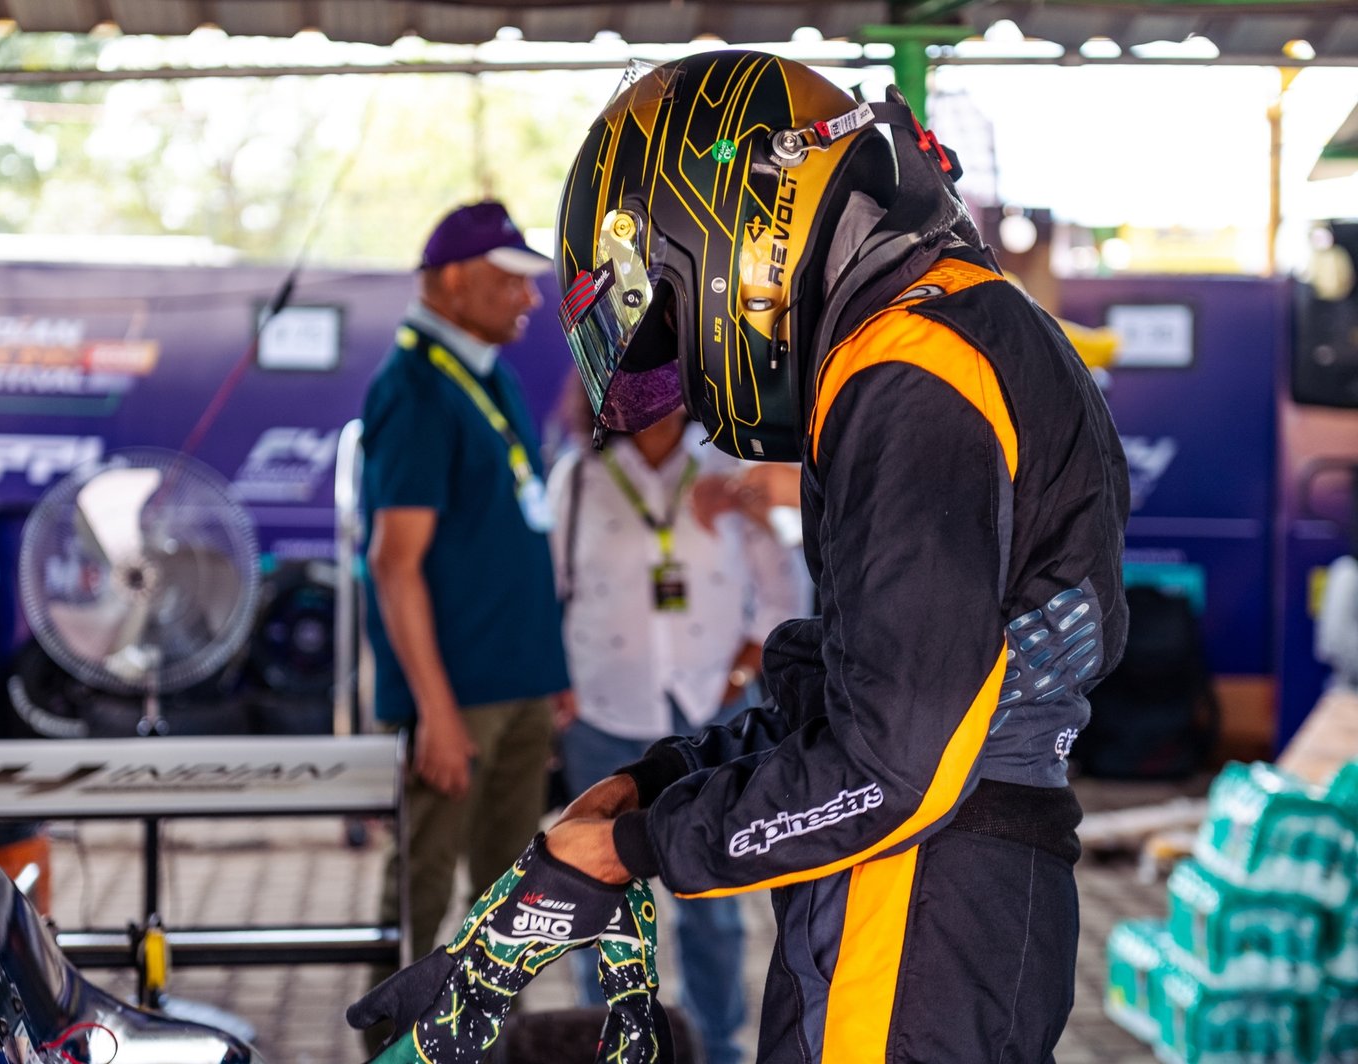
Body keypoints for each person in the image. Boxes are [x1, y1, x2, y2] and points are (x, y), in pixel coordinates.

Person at [541, 51, 1131, 1063]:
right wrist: (665, 778)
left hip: (913, 910)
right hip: (957, 898)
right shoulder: (955, 328)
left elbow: (889, 767)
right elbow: (883, 687)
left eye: (670, 317)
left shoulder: (912, 369)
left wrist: (641, 844)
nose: (684, 365)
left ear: (727, 235)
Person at [547, 387, 804, 1064]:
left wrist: (743, 672)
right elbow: (551, 587)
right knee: (596, 901)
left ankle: (715, 1046)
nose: (654, 399)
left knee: (712, 899)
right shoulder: (578, 477)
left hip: (708, 717)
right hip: (603, 714)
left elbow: (783, 588)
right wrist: (559, 687)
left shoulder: (728, 466)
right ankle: (605, 1046)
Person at [360, 200, 572, 991]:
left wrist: (550, 672)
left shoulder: (489, 374)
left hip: (517, 683)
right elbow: (394, 563)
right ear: (452, 280)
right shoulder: (416, 388)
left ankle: (489, 1041)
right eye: (510, 280)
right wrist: (436, 711)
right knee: (421, 893)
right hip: (456, 699)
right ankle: (394, 1043)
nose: (530, 298)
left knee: (509, 899)